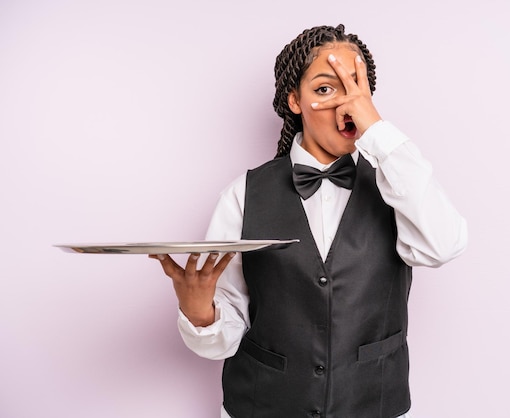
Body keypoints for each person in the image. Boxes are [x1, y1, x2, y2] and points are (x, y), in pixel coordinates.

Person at [150, 24, 468, 418]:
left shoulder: (398, 183)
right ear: (294, 101)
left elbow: (443, 244)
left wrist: (381, 136)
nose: (345, 105)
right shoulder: (244, 193)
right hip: (262, 405)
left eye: (357, 88)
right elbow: (226, 327)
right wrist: (200, 313)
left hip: (375, 403)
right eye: (324, 89)